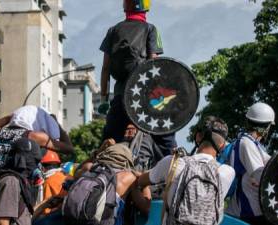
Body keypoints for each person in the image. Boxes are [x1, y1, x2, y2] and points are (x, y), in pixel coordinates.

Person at [99, 0, 177, 154]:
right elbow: (153, 64)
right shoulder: (150, 29)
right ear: (146, 6)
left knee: (107, 143)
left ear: (125, 6)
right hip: (143, 99)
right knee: (165, 142)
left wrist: (104, 99)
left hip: (120, 99)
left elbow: (105, 68)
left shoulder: (113, 30)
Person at [137, 116, 235, 225]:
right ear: (222, 146)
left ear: (198, 137)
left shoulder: (173, 162)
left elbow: (140, 181)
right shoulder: (227, 172)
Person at [0, 106, 74, 194]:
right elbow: (68, 148)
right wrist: (56, 123)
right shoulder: (33, 136)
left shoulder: (0, 133)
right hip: (10, 189)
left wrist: (10, 118)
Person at [225, 102, 275, 225]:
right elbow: (260, 174)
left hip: (252, 212)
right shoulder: (246, 143)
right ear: (267, 127)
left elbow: (273, 162)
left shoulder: (253, 144)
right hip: (246, 212)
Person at [0, 138, 46, 225]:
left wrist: (47, 202)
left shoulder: (19, 182)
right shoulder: (11, 182)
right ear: (22, 160)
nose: (38, 166)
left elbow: (23, 216)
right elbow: (2, 222)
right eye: (36, 160)